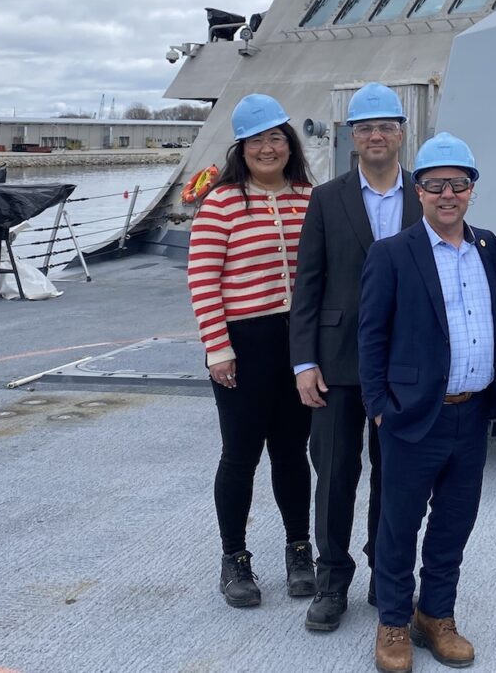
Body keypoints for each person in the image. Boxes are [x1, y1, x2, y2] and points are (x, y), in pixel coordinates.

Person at [357, 132, 496, 673]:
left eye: (458, 184)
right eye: (434, 184)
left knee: (454, 522)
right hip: (412, 415)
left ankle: (437, 614)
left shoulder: (488, 247)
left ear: (472, 190)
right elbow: (371, 335)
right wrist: (379, 404)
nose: (447, 194)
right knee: (399, 525)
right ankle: (394, 623)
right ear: (418, 190)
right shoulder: (392, 254)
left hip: (472, 415)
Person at [289, 82, 422, 632]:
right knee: (336, 473)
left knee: (395, 476)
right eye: (364, 128)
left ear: (401, 134)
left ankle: (385, 573)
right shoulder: (327, 199)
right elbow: (308, 285)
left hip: (405, 363)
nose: (375, 136)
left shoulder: (425, 196)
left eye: (385, 127)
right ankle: (331, 578)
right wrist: (304, 363)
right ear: (351, 136)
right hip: (338, 361)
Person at [187, 93, 316, 609]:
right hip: (244, 343)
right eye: (257, 140)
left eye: (276, 137)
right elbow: (203, 279)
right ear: (242, 147)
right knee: (240, 455)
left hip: (299, 344)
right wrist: (217, 349)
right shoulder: (221, 203)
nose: (268, 148)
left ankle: (298, 550)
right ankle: (234, 559)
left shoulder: (310, 197)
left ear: (290, 143)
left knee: (292, 453)